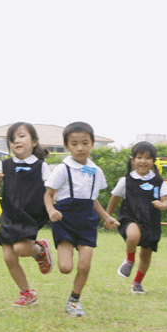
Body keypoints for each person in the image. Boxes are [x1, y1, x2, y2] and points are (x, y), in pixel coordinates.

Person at [43, 121, 119, 317]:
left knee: (85, 265)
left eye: (85, 143)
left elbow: (93, 199)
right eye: (74, 143)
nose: (80, 148)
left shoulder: (95, 171)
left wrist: (106, 217)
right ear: (67, 146)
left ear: (92, 144)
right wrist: (51, 210)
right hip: (64, 219)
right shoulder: (62, 169)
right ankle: (44, 252)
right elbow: (48, 194)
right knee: (66, 268)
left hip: (87, 220)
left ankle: (74, 300)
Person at [0, 122, 53, 307]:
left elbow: (51, 190)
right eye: (12, 139)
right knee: (9, 258)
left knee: (21, 249)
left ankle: (40, 250)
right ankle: (27, 294)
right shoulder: (3, 165)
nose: (16, 140)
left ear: (34, 142)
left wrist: (53, 207)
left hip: (30, 216)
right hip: (10, 215)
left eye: (22, 136)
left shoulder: (41, 167)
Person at [106, 142, 167, 294]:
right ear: (133, 160)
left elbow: (166, 199)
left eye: (148, 158)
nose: (143, 161)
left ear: (153, 161)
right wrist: (108, 217)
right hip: (131, 217)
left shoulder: (158, 181)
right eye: (140, 157)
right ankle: (129, 259)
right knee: (133, 235)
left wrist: (163, 205)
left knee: (146, 254)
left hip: (151, 221)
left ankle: (137, 282)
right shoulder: (126, 181)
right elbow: (114, 198)